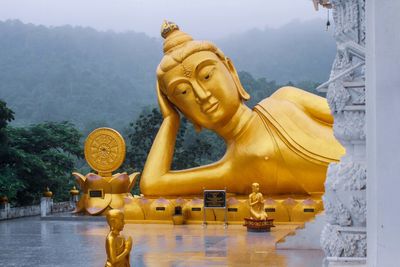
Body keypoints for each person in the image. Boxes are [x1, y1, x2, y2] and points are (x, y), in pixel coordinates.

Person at [140, 21, 345, 196]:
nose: (202, 95)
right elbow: (153, 183)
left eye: (207, 76)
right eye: (183, 92)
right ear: (181, 109)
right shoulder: (233, 167)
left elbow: (360, 119)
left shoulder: (287, 98)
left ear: (231, 71)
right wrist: (170, 119)